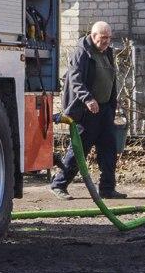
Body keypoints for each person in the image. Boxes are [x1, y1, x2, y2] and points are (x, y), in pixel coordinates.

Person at [51, 19, 123, 197]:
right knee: (79, 151)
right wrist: (88, 98)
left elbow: (111, 80)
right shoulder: (82, 52)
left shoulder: (107, 52)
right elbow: (75, 79)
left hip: (105, 111)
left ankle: (107, 189)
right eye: (103, 38)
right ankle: (59, 185)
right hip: (86, 111)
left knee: (109, 150)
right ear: (93, 35)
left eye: (109, 38)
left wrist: (113, 104)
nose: (106, 41)